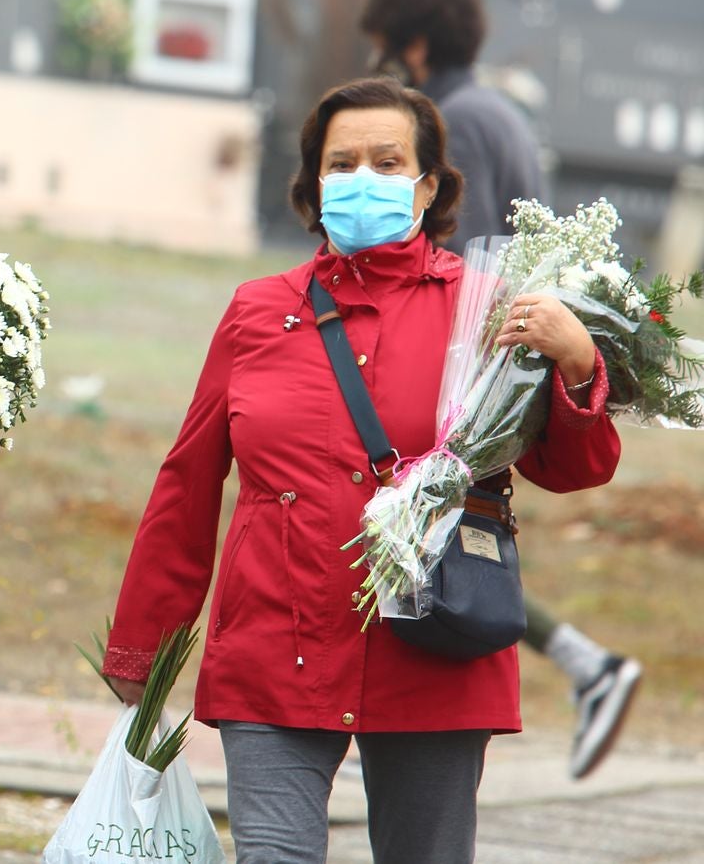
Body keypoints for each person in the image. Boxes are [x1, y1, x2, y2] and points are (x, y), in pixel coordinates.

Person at [101, 77, 621, 863]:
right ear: (313, 185)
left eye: (387, 160)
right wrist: (142, 647)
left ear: (430, 185)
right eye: (342, 163)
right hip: (276, 647)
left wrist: (579, 363)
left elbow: (573, 468)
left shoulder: (491, 306)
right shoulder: (255, 311)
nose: (363, 176)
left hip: (435, 648)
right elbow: (187, 483)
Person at [359, 0, 643, 780]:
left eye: (383, 48)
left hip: (466, 385)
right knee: (442, 545)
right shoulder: (504, 111)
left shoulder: (452, 122)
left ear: (412, 45)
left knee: (432, 542)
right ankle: (586, 663)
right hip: (508, 379)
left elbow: (463, 268)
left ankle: (587, 663)